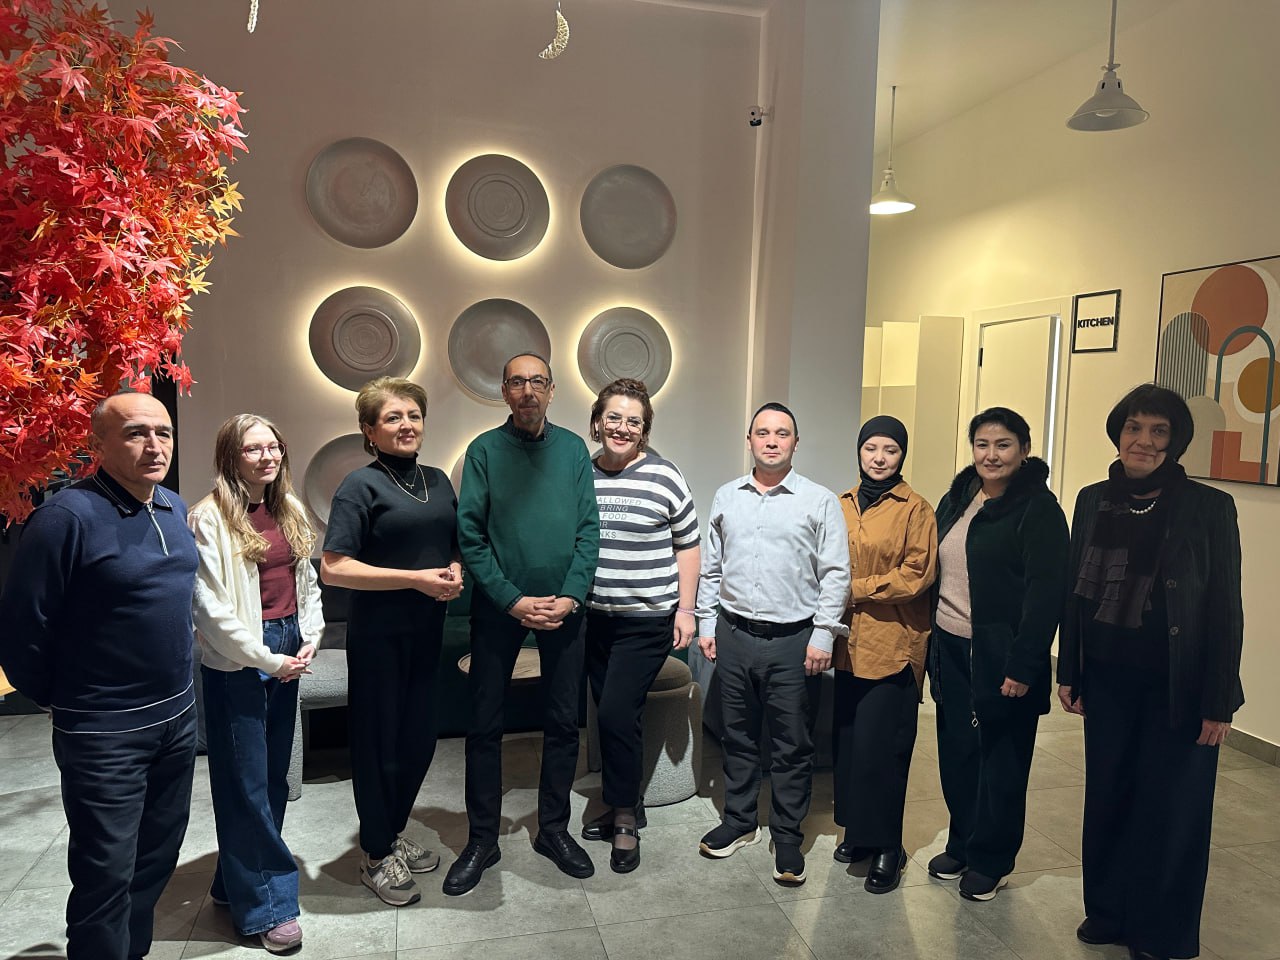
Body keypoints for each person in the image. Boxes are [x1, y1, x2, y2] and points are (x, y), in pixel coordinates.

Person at [0, 392, 199, 960]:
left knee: (156, 859)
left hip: (177, 720)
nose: (155, 445)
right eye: (136, 433)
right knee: (105, 875)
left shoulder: (173, 507)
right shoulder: (65, 518)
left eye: (163, 432)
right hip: (104, 732)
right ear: (98, 444)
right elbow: (21, 627)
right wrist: (62, 700)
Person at [1058, 384, 1244, 960]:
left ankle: (1162, 933)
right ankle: (1109, 911)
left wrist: (1218, 699)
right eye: (1134, 427)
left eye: (1158, 431)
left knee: (1172, 810)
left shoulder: (1208, 507)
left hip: (1178, 685)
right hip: (1108, 679)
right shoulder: (1092, 499)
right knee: (1109, 796)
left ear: (1175, 441)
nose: (1143, 441)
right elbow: (1076, 593)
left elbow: (1225, 606)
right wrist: (1071, 669)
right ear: (1118, 433)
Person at [445, 352, 600, 896]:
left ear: (552, 390)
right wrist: (512, 600)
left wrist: (572, 595)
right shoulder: (484, 451)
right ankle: (482, 839)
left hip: (563, 608)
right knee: (484, 724)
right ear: (504, 392)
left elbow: (588, 531)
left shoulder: (574, 450)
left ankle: (553, 829)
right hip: (500, 607)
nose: (528, 390)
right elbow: (470, 536)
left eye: (537, 381)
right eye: (517, 382)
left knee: (562, 722)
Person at [695, 402, 851, 887]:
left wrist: (823, 634)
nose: (771, 441)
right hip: (734, 633)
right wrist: (706, 623)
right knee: (737, 735)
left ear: (795, 443)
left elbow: (836, 573)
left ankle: (786, 835)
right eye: (762, 432)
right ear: (749, 440)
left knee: (791, 744)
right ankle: (740, 821)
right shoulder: (727, 496)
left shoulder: (819, 500)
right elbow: (712, 568)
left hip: (794, 641)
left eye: (782, 433)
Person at [320, 377, 462, 907]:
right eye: (393, 417)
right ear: (369, 430)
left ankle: (392, 831)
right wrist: (414, 580)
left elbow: (452, 545)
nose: (406, 425)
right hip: (378, 635)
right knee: (378, 742)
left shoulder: (437, 480)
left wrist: (453, 569)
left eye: (413, 415)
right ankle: (376, 853)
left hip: (428, 631)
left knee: (418, 740)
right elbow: (335, 567)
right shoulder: (360, 485)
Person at [188, 414, 324, 952]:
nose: (267, 456)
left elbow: (305, 580)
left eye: (273, 447)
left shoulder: (286, 506)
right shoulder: (209, 516)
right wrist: (267, 658)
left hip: (287, 646)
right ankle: (268, 906)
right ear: (231, 456)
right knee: (245, 784)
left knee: (271, 781)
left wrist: (310, 635)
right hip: (239, 660)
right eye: (253, 449)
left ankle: (235, 883)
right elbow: (209, 607)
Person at [926, 406, 1068, 901]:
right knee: (959, 753)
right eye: (982, 444)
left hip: (1002, 653)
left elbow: (1046, 595)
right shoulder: (959, 497)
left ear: (1024, 450)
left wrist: (1024, 663)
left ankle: (992, 858)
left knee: (1002, 760)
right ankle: (962, 842)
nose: (991, 454)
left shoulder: (1038, 509)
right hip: (950, 644)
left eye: (1003, 444)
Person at [578, 378, 701, 873]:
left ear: (644, 429)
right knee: (612, 715)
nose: (622, 428)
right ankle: (621, 799)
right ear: (597, 422)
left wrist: (686, 610)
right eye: (614, 417)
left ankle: (626, 814)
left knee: (614, 712)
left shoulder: (664, 475)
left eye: (634, 421)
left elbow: (688, 545)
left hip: (646, 619)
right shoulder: (582, 474)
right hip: (595, 618)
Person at [833, 415, 938, 894]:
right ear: (859, 451)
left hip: (893, 647)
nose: (879, 458)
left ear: (902, 455)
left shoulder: (916, 509)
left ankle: (888, 848)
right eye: (871, 448)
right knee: (853, 748)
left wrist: (855, 589)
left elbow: (916, 575)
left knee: (885, 753)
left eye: (890, 450)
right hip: (846, 647)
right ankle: (859, 835)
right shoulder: (841, 503)